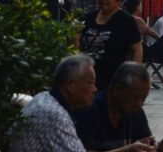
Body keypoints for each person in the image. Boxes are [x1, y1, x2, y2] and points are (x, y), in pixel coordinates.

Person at [9, 55, 152, 152]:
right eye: (90, 83)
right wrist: (128, 150)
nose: (94, 89)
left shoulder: (47, 99)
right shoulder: (55, 115)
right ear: (71, 85)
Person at [73, 63, 163, 152]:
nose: (139, 103)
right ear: (116, 90)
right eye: (135, 97)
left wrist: (156, 148)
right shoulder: (88, 110)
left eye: (143, 98)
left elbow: (146, 142)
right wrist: (127, 150)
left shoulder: (136, 111)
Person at [79, 0, 143, 92]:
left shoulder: (126, 21)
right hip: (87, 78)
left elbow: (137, 50)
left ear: (119, 0)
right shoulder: (89, 18)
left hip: (113, 80)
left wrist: (132, 76)